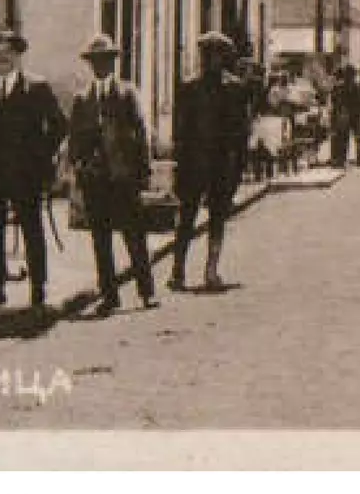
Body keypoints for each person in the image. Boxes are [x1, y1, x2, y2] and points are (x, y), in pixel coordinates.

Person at [0, 29, 66, 312]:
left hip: (26, 175)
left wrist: (41, 157)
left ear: (18, 57)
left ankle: (38, 289)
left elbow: (59, 125)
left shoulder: (36, 89)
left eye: (8, 53)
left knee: (32, 230)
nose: (3, 59)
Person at [67, 34, 157, 317]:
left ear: (114, 63)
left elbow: (141, 134)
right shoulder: (83, 99)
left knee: (134, 236)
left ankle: (146, 291)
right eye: (96, 61)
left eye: (106, 60)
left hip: (124, 177)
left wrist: (143, 171)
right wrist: (78, 168)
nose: (101, 66)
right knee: (100, 239)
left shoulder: (127, 94)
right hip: (96, 180)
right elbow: (75, 139)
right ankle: (109, 294)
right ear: (90, 65)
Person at [171, 32, 248, 293]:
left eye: (215, 55)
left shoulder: (235, 89)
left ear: (222, 58)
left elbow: (241, 131)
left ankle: (211, 270)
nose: (209, 60)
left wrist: (239, 167)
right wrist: (179, 165)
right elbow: (180, 131)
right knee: (186, 219)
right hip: (194, 163)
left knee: (217, 218)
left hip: (221, 164)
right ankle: (177, 270)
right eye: (206, 55)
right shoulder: (189, 88)